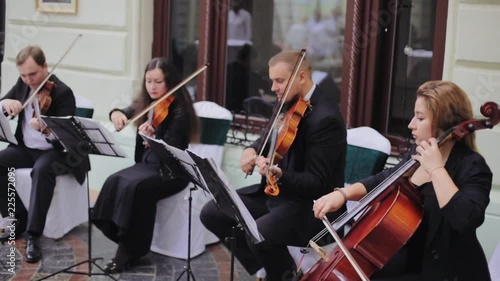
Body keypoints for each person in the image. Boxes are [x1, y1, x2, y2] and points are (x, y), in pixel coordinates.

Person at [313, 80, 493, 281]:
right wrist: (342, 194)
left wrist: (436, 169)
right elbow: (383, 179)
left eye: (420, 118)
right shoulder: (416, 156)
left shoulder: (472, 166)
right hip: (404, 262)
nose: (411, 125)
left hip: (444, 272)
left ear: (445, 122)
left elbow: (466, 220)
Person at [200, 50, 347, 281]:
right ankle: (273, 268)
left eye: (279, 80)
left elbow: (318, 183)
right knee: (212, 212)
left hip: (311, 206)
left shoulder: (326, 118)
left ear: (301, 77)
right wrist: (251, 150)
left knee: (260, 233)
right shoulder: (287, 102)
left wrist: (280, 175)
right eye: (272, 80)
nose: (273, 87)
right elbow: (267, 137)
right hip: (276, 195)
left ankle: (284, 275)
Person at [91, 57, 199, 274]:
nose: (152, 86)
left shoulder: (180, 111)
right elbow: (125, 110)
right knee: (115, 180)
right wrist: (116, 114)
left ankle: (128, 252)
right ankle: (123, 237)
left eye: (158, 82)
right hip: (148, 164)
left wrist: (153, 138)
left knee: (137, 188)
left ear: (169, 82)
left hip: (173, 171)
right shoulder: (147, 102)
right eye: (149, 81)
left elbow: (172, 151)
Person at [0, 45, 89, 263]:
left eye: (33, 74)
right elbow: (5, 103)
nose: (28, 80)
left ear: (45, 67)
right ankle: (18, 218)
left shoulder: (62, 93)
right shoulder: (23, 84)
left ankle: (33, 235)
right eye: (23, 75)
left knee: (41, 171)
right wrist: (6, 102)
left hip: (57, 152)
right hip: (26, 148)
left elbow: (66, 140)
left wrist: (45, 129)